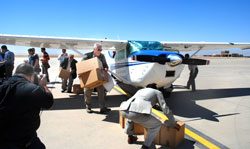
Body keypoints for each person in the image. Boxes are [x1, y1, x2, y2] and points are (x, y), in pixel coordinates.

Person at [0, 63, 54, 149]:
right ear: (32, 76)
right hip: (25, 140)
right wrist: (43, 85)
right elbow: (50, 103)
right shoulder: (33, 90)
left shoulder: (2, 85)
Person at [120, 83, 179, 149]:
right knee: (156, 125)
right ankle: (146, 146)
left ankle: (130, 137)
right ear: (155, 88)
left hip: (124, 109)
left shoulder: (141, 90)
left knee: (131, 117)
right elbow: (164, 108)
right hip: (135, 112)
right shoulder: (157, 92)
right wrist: (173, 122)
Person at [82, 43, 111, 114]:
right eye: (99, 49)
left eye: (101, 49)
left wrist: (106, 68)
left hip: (99, 76)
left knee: (101, 92)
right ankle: (88, 107)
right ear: (94, 49)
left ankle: (102, 108)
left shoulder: (102, 56)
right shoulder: (87, 55)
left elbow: (105, 64)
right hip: (90, 77)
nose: (100, 51)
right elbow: (82, 64)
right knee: (88, 92)